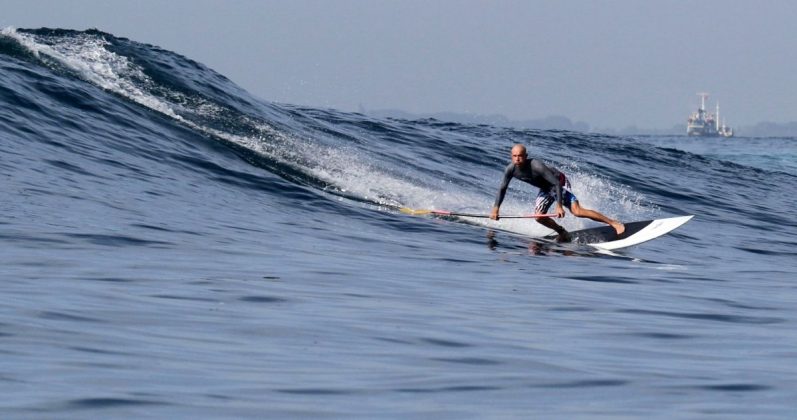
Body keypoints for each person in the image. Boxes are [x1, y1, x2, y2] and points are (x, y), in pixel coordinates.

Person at [490, 144, 624, 242]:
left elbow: (557, 184)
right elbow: (502, 189)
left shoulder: (536, 165)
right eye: (515, 156)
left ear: (526, 156)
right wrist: (496, 209)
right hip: (545, 188)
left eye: (520, 156)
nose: (517, 159)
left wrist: (559, 205)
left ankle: (613, 223)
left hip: (559, 182)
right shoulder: (510, 169)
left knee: (577, 211)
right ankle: (562, 232)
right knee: (539, 217)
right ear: (511, 156)